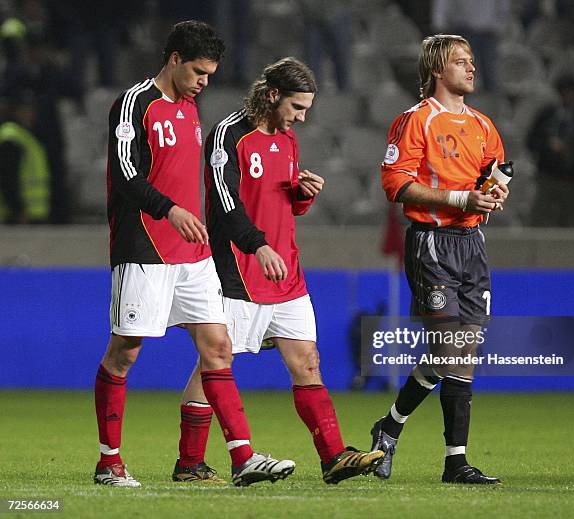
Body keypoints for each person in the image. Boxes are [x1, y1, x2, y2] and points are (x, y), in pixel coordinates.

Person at [94, 20, 294, 488]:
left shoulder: (190, 107)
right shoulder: (135, 103)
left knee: (218, 348)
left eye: (210, 74)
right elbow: (127, 174)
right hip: (144, 247)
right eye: (199, 72)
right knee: (125, 353)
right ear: (174, 60)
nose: (205, 82)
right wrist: (171, 210)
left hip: (194, 254)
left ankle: (238, 457)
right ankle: (109, 461)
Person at [172, 57, 384, 485]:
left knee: (307, 362)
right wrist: (258, 245)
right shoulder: (229, 135)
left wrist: (302, 195)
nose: (302, 118)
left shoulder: (287, 140)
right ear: (272, 95)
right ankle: (191, 462)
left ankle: (333, 457)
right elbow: (226, 203)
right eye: (297, 107)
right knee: (215, 361)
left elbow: (280, 206)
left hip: (285, 269)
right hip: (239, 267)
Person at [372, 34, 509, 484]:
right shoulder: (416, 121)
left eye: (471, 60)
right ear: (437, 69)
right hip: (432, 241)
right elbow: (396, 184)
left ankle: (454, 460)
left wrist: (497, 189)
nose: (471, 68)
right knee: (451, 348)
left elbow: (495, 172)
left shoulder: (483, 125)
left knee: (462, 354)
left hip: (471, 244)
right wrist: (462, 198)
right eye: (460, 61)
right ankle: (391, 427)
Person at [527, 73, 574, 227]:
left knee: (571, 223)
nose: (567, 96)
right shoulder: (547, 116)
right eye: (564, 92)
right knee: (541, 220)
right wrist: (549, 145)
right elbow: (531, 142)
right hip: (548, 177)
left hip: (572, 180)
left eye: (570, 92)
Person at [0, 91, 50, 224]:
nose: (32, 113)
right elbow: (8, 178)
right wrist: (17, 209)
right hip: (18, 215)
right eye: (27, 109)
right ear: (16, 111)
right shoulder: (11, 137)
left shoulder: (24, 134)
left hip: (31, 213)